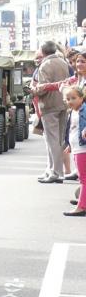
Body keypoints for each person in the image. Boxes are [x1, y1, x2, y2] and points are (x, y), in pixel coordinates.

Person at [33, 40, 71, 183]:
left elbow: (43, 88)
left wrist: (34, 90)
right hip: (64, 103)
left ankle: (55, 172)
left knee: (51, 140)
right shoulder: (63, 63)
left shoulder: (45, 65)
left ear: (43, 52)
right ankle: (52, 170)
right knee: (59, 140)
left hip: (49, 106)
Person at [64, 86, 86, 216]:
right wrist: (70, 145)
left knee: (83, 178)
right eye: (68, 99)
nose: (70, 101)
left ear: (81, 98)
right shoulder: (73, 112)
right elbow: (72, 130)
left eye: (73, 98)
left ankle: (81, 206)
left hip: (83, 148)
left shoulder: (84, 109)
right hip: (77, 148)